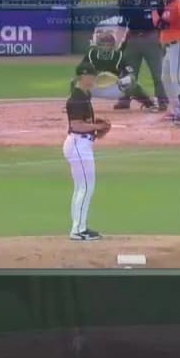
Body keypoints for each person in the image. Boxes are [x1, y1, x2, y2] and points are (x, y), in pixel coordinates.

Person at [64, 62, 111, 241]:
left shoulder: (85, 95)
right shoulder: (76, 98)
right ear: (83, 77)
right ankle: (78, 230)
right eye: (92, 75)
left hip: (81, 144)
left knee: (81, 188)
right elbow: (76, 125)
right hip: (78, 145)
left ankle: (79, 227)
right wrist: (95, 126)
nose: (94, 79)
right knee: (85, 187)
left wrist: (97, 129)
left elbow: (84, 123)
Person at [115, 0, 169, 111]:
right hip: (132, 37)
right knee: (128, 72)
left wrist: (162, 37)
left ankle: (162, 101)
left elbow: (164, 19)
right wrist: (119, 41)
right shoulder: (125, 1)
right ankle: (125, 99)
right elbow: (122, 23)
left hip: (151, 37)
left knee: (158, 73)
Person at [79, 27, 159, 108]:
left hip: (114, 88)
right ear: (98, 46)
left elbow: (131, 74)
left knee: (132, 83)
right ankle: (79, 104)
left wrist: (124, 80)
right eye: (103, 45)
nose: (105, 48)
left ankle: (148, 103)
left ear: (113, 46)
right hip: (95, 86)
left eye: (108, 45)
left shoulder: (118, 56)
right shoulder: (91, 55)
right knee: (76, 82)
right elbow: (80, 71)